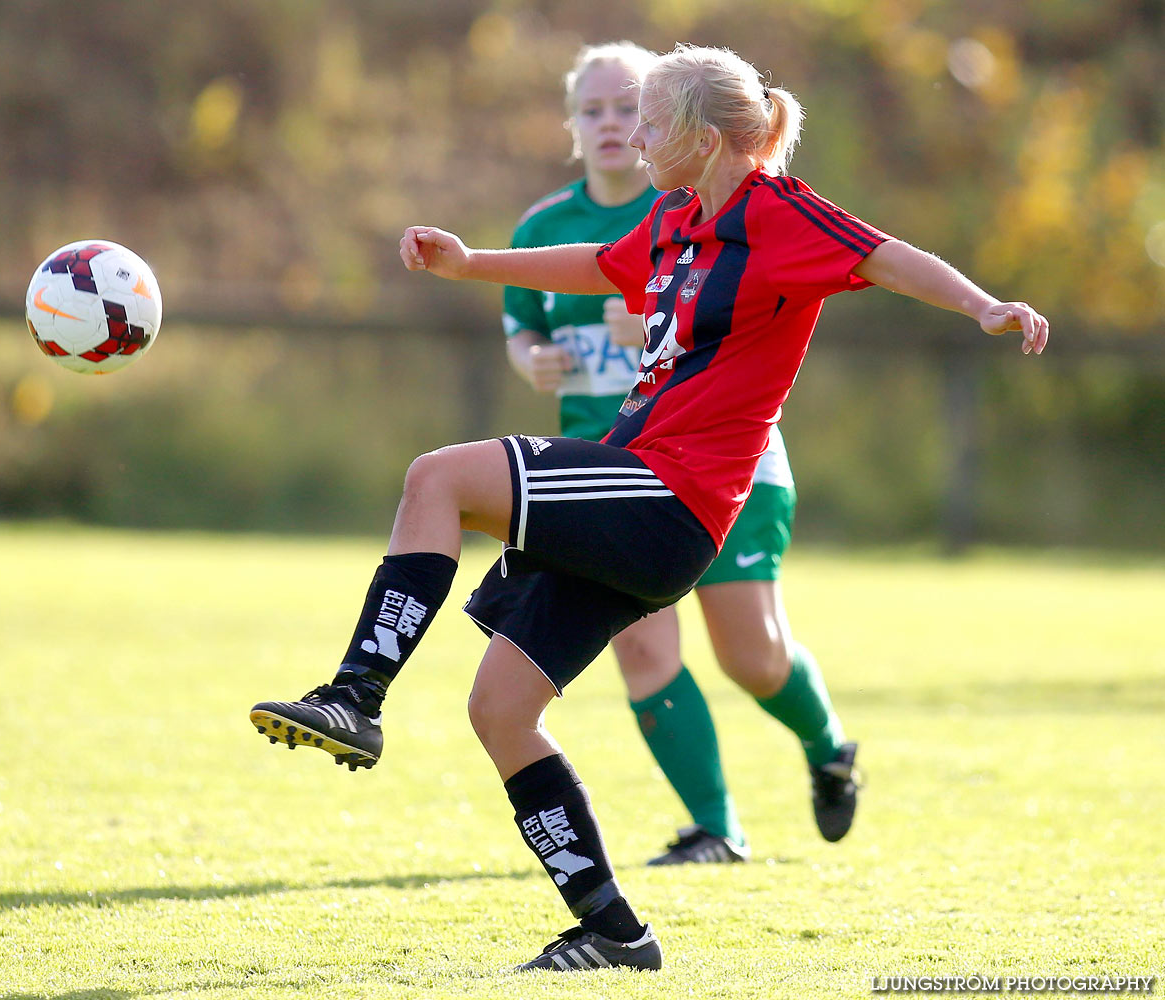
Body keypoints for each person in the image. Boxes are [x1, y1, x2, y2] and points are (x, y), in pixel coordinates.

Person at [251, 43, 1048, 973]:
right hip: (640, 491)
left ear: (706, 140)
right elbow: (598, 264)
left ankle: (355, 697)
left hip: (674, 496)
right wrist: (471, 264)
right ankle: (613, 932)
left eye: (650, 120)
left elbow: (886, 258)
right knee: (502, 709)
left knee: (437, 478)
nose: (631, 134)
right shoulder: (676, 217)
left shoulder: (775, 212)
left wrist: (986, 306)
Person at [503, 41, 860, 868]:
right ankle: (716, 827)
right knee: (642, 647)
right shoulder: (545, 226)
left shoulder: (709, 204)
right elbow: (524, 326)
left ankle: (829, 745)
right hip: (617, 463)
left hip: (725, 465)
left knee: (752, 655)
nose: (612, 125)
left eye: (630, 109)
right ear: (572, 125)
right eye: (591, 110)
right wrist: (531, 359)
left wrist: (661, 321)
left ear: (684, 126)